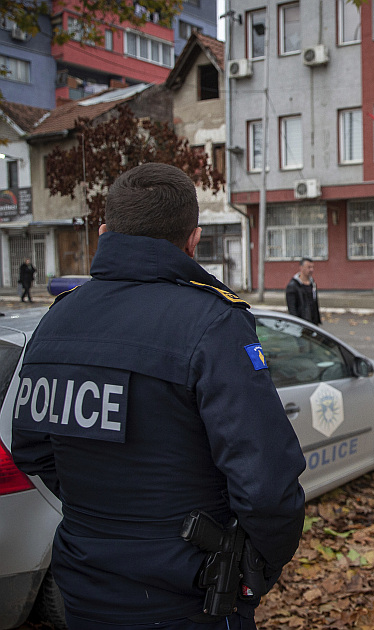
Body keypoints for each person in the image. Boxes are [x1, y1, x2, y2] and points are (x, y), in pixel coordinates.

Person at [12, 163, 306, 630]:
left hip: (84, 588)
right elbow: (268, 485)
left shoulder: (56, 321)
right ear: (193, 240)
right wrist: (258, 570)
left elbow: (30, 447)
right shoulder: (213, 322)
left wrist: (103, 516)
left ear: (105, 233)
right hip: (190, 596)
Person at [285, 257, 322, 325]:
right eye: (309, 267)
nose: (311, 270)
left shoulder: (312, 283)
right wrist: (296, 324)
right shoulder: (293, 285)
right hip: (301, 323)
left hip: (313, 323)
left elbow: (315, 303)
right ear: (301, 267)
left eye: (312, 267)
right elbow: (292, 309)